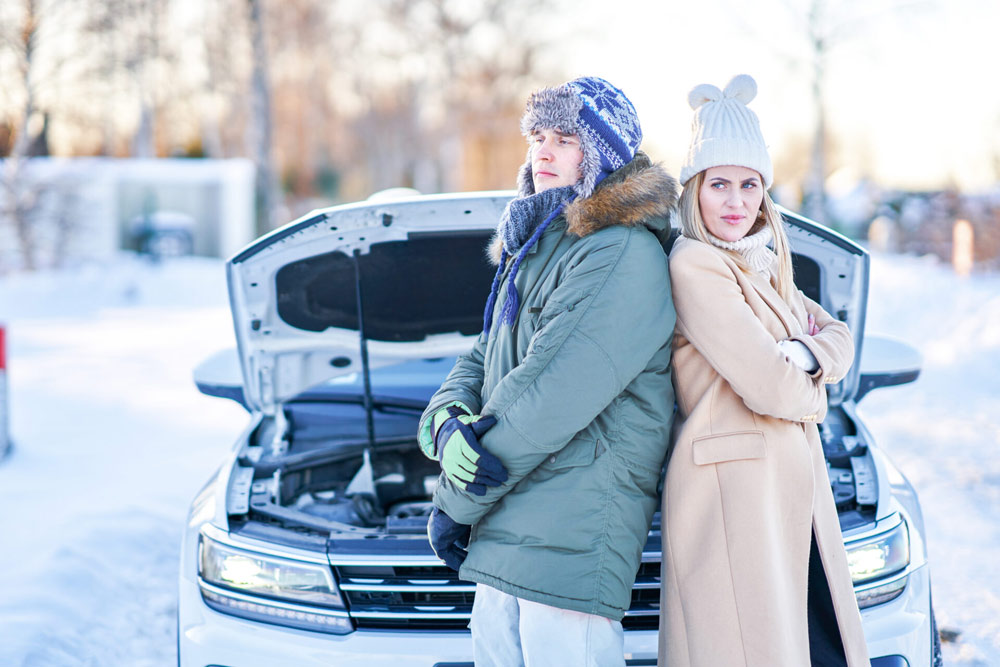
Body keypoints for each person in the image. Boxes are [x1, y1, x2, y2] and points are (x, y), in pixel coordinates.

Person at [416, 77, 679, 666]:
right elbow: (484, 357)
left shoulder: (619, 252)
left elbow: (546, 393)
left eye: (565, 138)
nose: (543, 151)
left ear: (604, 153)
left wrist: (455, 503)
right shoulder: (538, 247)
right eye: (537, 136)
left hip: (574, 529)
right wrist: (446, 422)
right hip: (512, 520)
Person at [658, 73, 870, 667]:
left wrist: (802, 355)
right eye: (718, 183)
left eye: (749, 184)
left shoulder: (763, 264)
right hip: (730, 492)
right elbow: (770, 387)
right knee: (743, 650)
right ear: (694, 189)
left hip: (783, 488)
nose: (735, 202)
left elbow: (841, 338)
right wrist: (810, 385)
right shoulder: (696, 264)